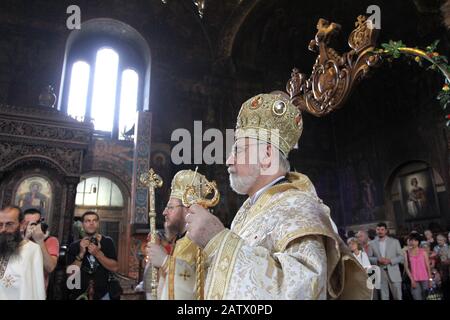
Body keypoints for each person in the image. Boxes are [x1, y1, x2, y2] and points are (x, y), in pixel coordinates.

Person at [185, 93, 371, 299]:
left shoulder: (299, 208)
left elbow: (302, 289)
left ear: (266, 155)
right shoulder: (247, 211)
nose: (229, 160)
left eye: (238, 150)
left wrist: (218, 241)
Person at [146, 169, 213, 300]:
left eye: (170, 207)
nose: (164, 212)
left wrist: (165, 262)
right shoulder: (180, 241)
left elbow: (200, 285)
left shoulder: (200, 241)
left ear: (188, 208)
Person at [67, 211, 119, 300]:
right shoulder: (74, 246)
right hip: (80, 295)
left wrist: (98, 254)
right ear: (82, 225)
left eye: (94, 220)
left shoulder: (107, 242)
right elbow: (70, 277)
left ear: (98, 224)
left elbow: (115, 268)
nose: (91, 223)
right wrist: (81, 253)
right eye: (87, 221)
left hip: (104, 294)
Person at [0, 206, 46, 300]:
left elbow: (36, 290)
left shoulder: (32, 250)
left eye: (9, 224)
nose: (3, 229)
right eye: (0, 224)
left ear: (22, 224)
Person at [22, 208, 59, 292]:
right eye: (28, 223)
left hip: (37, 291)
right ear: (23, 224)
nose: (31, 226)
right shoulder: (17, 240)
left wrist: (40, 241)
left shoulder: (51, 240)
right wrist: (26, 239)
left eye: (34, 223)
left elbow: (50, 268)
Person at [368, 222, 404, 300]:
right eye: (378, 230)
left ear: (386, 230)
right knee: (384, 297)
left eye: (382, 229)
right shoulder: (371, 243)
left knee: (398, 296)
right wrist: (377, 260)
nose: (380, 231)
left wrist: (390, 261)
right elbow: (369, 258)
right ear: (376, 231)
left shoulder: (394, 242)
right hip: (381, 272)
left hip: (394, 272)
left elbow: (401, 257)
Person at [403, 232, 432, 300]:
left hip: (425, 279)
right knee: (417, 297)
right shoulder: (406, 253)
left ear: (418, 241)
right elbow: (406, 268)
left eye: (415, 240)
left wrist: (430, 280)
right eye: (411, 240)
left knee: (427, 298)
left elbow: (428, 267)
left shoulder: (423, 252)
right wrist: (412, 280)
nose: (413, 242)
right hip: (414, 280)